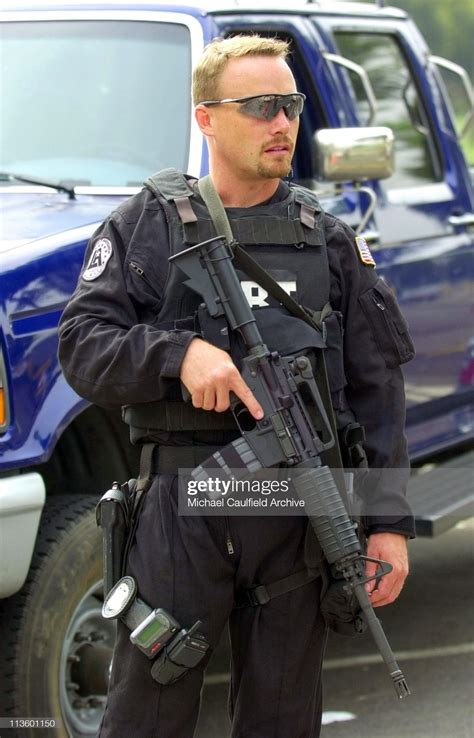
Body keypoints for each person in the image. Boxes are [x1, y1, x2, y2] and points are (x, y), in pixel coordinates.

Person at [58, 35, 415, 738]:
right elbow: (82, 346)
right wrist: (176, 355)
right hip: (182, 512)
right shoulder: (149, 226)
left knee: (281, 718)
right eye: (259, 107)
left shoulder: (327, 237)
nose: (282, 123)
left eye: (290, 105)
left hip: (298, 515)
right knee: (146, 716)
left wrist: (388, 525)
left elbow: (377, 391)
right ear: (207, 119)